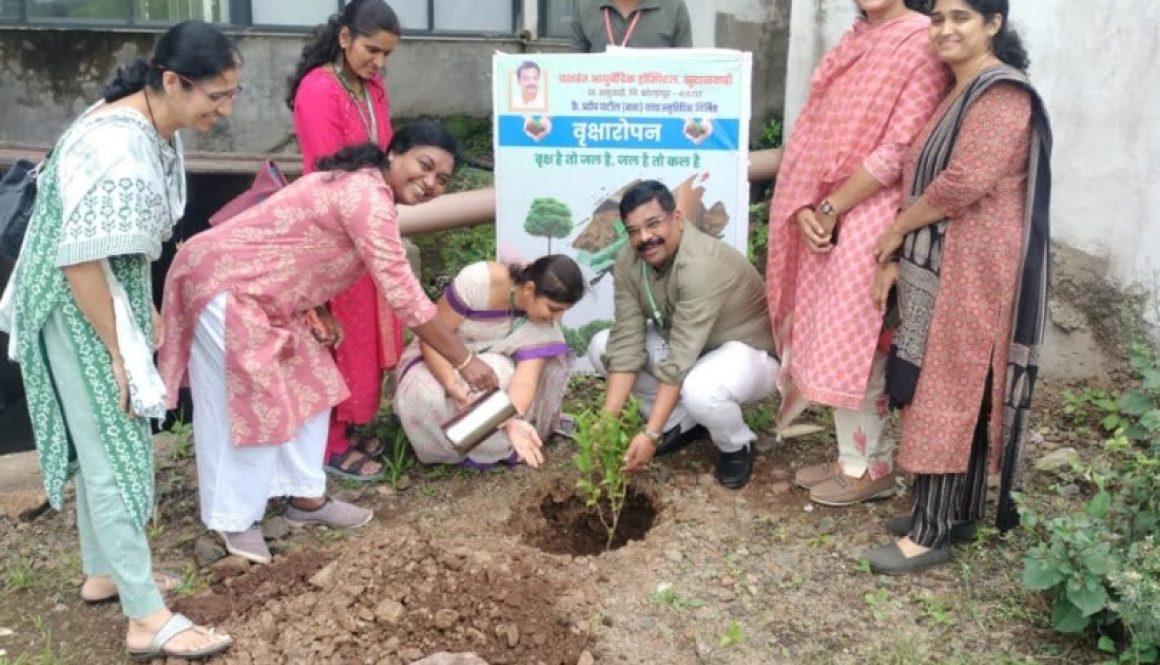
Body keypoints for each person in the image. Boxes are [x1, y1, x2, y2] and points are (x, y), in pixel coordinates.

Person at [0, 22, 238, 661]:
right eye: (216, 95)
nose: (226, 108)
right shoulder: (118, 145)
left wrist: (143, 311)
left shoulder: (142, 121)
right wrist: (117, 348)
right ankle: (145, 617)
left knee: (107, 439)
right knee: (114, 445)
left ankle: (106, 573)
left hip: (101, 289)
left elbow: (116, 246)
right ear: (170, 81)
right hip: (78, 300)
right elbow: (82, 261)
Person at [157, 122, 500, 565]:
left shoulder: (369, 192)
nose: (431, 183)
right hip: (225, 286)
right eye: (425, 166)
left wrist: (316, 306)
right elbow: (405, 296)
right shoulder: (367, 197)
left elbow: (302, 242)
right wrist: (465, 359)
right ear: (394, 154)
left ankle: (305, 499)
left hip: (270, 296)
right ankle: (233, 520)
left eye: (442, 179)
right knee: (251, 404)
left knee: (315, 386)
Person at [862, 0, 1051, 574]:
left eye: (961, 17)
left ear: (993, 25)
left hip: (976, 262)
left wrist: (895, 233)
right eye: (938, 16)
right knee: (949, 378)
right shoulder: (957, 90)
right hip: (944, 258)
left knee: (949, 380)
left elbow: (963, 181)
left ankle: (930, 533)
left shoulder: (1002, 93)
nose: (944, 28)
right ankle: (952, 510)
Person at [764, 0, 951, 507]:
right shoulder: (858, 37)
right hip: (830, 207)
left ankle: (872, 465)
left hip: (878, 211)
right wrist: (807, 206)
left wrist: (830, 206)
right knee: (831, 337)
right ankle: (852, 454)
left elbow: (898, 149)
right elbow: (815, 137)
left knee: (863, 341)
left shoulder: (918, 40)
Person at [587, 180, 778, 488]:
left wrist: (649, 434)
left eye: (652, 224)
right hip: (690, 347)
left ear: (676, 218)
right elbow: (626, 340)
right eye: (633, 230)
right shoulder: (628, 262)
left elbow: (680, 357)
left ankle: (736, 444)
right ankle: (681, 422)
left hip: (748, 354)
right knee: (602, 346)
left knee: (700, 388)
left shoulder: (701, 263)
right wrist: (605, 424)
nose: (644, 238)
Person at [287, 0, 403, 480]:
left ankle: (349, 422)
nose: (378, 62)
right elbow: (327, 169)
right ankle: (328, 444)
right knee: (334, 335)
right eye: (371, 50)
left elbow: (383, 151)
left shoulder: (371, 85)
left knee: (364, 334)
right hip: (333, 229)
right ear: (344, 39)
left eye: (386, 55)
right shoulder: (319, 90)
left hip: (368, 223)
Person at [395, 255, 585, 468]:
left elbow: (525, 382)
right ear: (530, 289)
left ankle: (491, 443)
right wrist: (452, 385)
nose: (557, 319)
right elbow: (433, 338)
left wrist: (511, 420)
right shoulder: (478, 282)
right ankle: (441, 446)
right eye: (553, 309)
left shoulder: (542, 327)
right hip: (438, 357)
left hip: (489, 375)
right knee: (424, 393)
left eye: (563, 311)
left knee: (498, 375)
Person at [571, 0, 692, 52]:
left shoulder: (674, 8)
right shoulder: (585, 8)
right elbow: (574, 68)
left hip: (656, 101)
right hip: (598, 101)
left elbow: (686, 68)